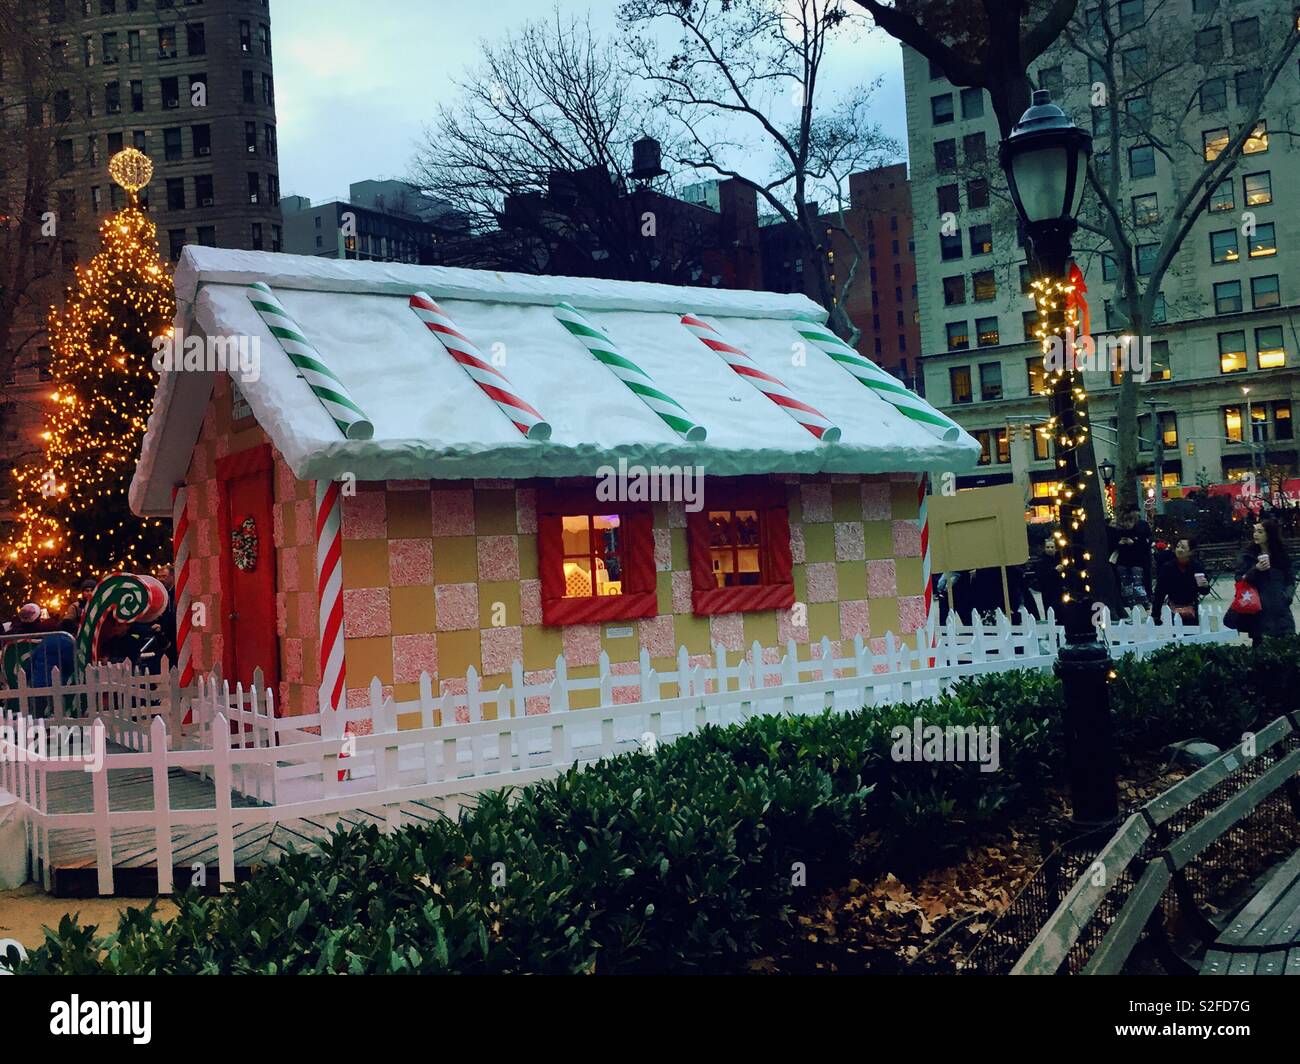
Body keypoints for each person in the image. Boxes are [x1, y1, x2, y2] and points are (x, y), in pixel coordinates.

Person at [1235, 518, 1296, 643]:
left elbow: (1290, 578)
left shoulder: (1281, 554)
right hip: (1258, 607)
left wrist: (1287, 596)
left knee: (1286, 645)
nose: (1255, 534)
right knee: (1260, 646)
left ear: (1269, 534)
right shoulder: (1248, 555)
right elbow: (1239, 579)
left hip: (1280, 608)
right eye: (1255, 531)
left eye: (1260, 531)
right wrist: (1256, 569)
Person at [1152, 536, 1209, 626]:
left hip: (1191, 607)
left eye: (1183, 547)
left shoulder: (1197, 567)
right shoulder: (1167, 567)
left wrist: (1205, 586)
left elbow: (1204, 592)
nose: (1179, 549)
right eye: (1178, 546)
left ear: (1191, 551)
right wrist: (1156, 614)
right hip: (1174, 606)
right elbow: (1159, 592)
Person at [1108, 506, 1152, 610]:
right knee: (1126, 585)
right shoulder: (1118, 532)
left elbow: (1144, 544)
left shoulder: (1139, 531)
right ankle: (1130, 604)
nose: (1127, 524)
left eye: (1130, 522)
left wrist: (1134, 543)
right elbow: (1112, 544)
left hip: (1136, 562)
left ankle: (1145, 602)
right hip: (1123, 562)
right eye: (1125, 522)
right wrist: (1120, 543)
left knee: (1138, 584)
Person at [1035, 533, 1066, 619]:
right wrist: (1055, 571)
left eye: (1052, 547)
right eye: (1048, 547)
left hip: (1059, 589)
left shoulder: (1059, 559)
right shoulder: (1042, 562)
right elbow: (1042, 576)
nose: (1050, 549)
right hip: (1048, 591)